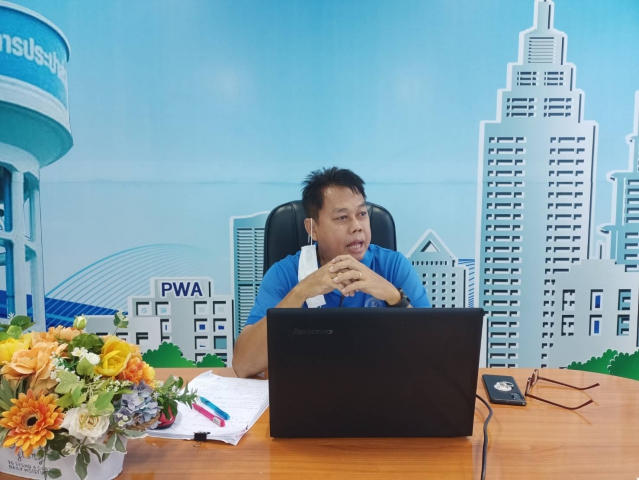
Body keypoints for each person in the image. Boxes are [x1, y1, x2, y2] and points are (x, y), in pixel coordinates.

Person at [232, 167, 431, 378]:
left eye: (362, 214)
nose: (357, 227)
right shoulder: (284, 274)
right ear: (312, 229)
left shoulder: (393, 266)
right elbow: (244, 365)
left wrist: (393, 297)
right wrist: (300, 292)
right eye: (342, 217)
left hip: (381, 386)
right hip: (306, 388)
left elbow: (432, 350)